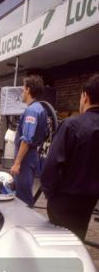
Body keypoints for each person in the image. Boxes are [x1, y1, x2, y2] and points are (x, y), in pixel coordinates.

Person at [41, 74, 99, 240]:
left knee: (59, 243)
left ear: (85, 96)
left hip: (64, 201)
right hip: (89, 202)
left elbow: (51, 166)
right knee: (77, 240)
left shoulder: (72, 125)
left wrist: (50, 193)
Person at [10, 75, 48, 207]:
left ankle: (25, 224)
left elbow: (26, 140)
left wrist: (17, 163)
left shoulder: (32, 111)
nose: (21, 92)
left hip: (26, 158)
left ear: (28, 90)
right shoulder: (38, 108)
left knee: (23, 197)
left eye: (23, 89)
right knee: (21, 192)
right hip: (29, 157)